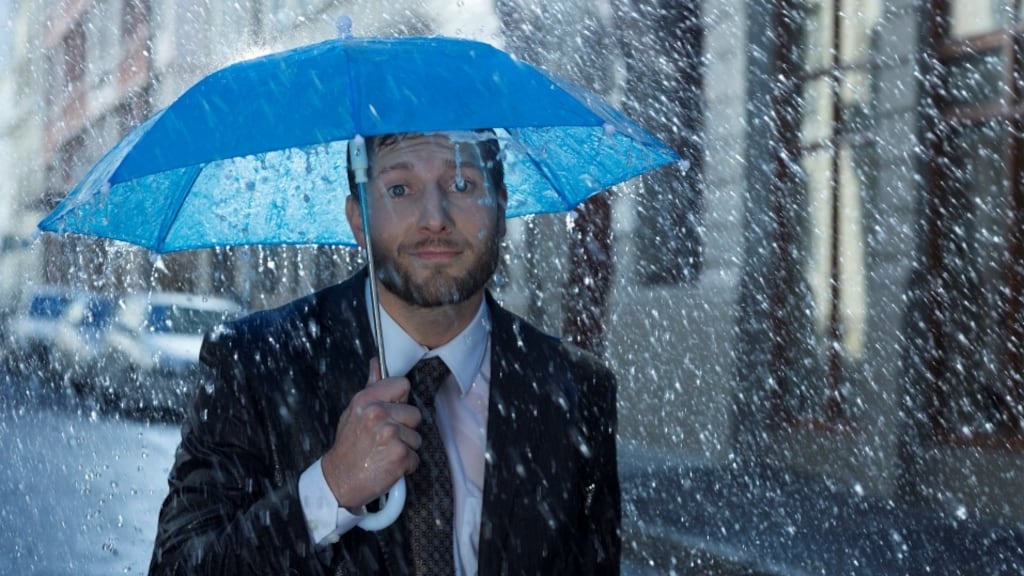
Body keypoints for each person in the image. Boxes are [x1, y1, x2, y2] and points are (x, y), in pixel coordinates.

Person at [148, 131, 621, 575]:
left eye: (461, 183)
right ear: (358, 218)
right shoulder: (257, 364)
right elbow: (181, 566)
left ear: (500, 206)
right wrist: (330, 487)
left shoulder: (575, 388)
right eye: (399, 189)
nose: (435, 218)